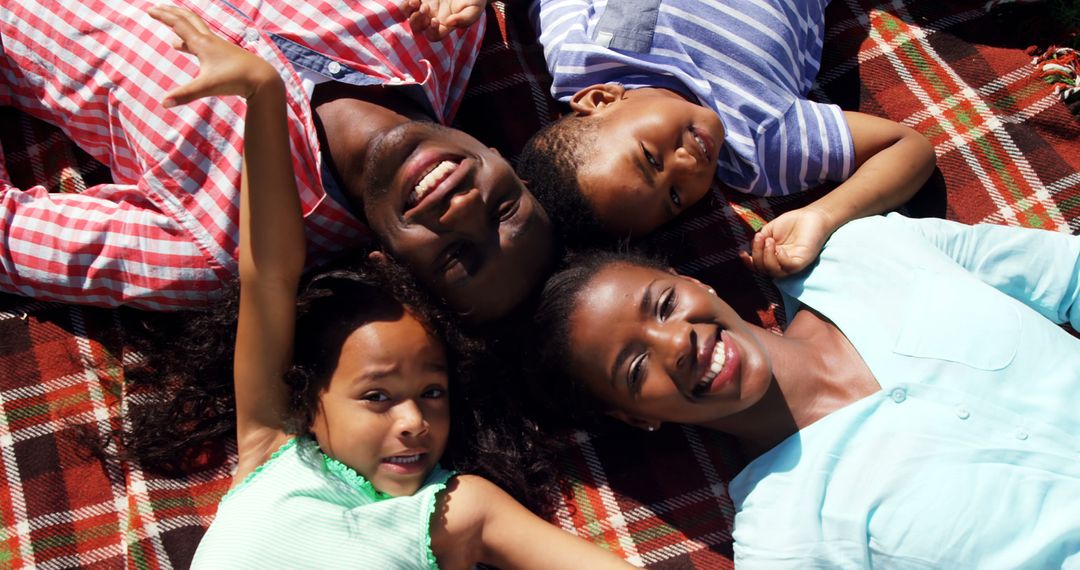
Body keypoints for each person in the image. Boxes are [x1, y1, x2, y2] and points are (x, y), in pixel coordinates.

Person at [144, 7, 630, 567]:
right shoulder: (271, 450)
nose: (414, 423)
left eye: (432, 394)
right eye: (377, 397)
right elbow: (269, 273)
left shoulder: (455, 507)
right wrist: (263, 94)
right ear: (309, 401)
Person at [528, 214, 1080, 566]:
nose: (677, 345)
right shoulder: (784, 538)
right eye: (635, 367)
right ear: (634, 416)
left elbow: (1069, 273)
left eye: (665, 304)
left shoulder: (868, 252)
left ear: (694, 282)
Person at [0, 0, 552, 322]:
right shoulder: (449, 29)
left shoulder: (226, 245)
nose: (463, 209)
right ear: (507, 161)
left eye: (456, 256)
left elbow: (8, 237)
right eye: (503, 209)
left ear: (392, 270)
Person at [517, 0, 935, 276]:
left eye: (651, 157)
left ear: (600, 100)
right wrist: (822, 217)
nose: (687, 166)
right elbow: (907, 148)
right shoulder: (760, 146)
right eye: (676, 197)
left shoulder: (582, 55)